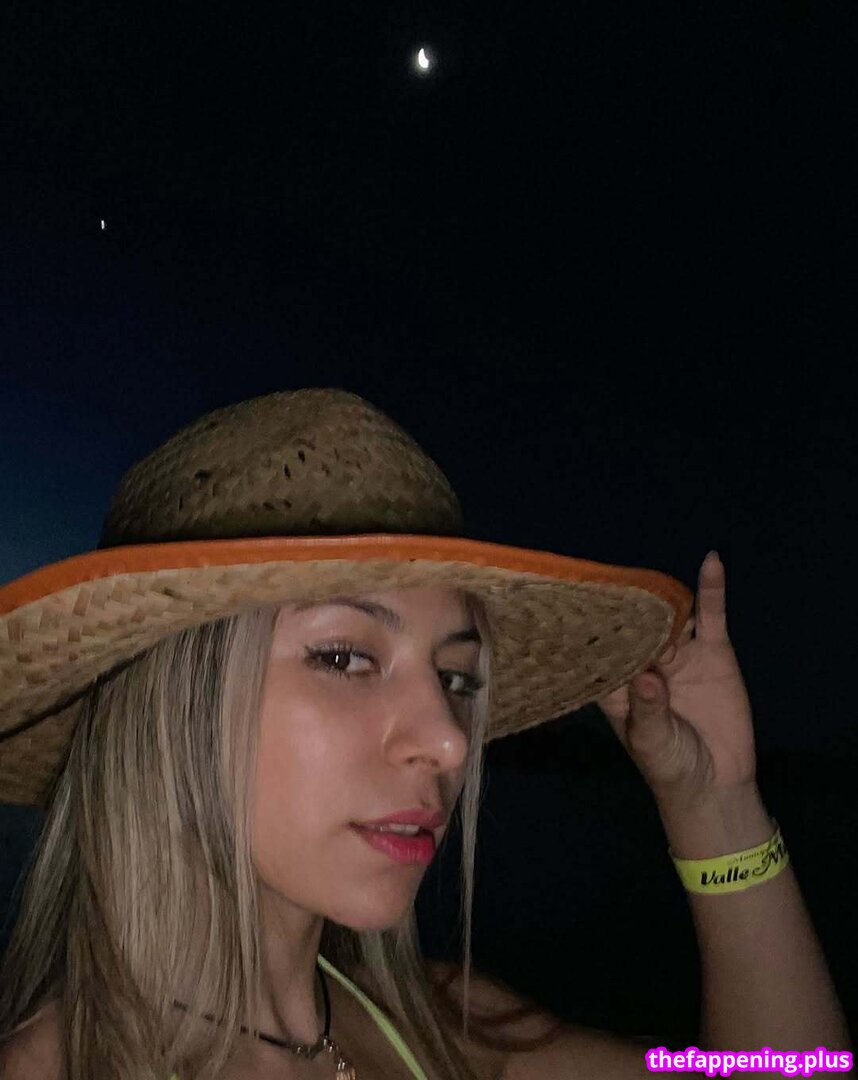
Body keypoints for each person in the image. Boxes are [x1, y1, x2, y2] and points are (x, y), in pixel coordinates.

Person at [0, 387, 850, 1080]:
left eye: (456, 679)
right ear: (170, 700)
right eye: (344, 657)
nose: (448, 741)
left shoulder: (448, 1028)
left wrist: (714, 806)